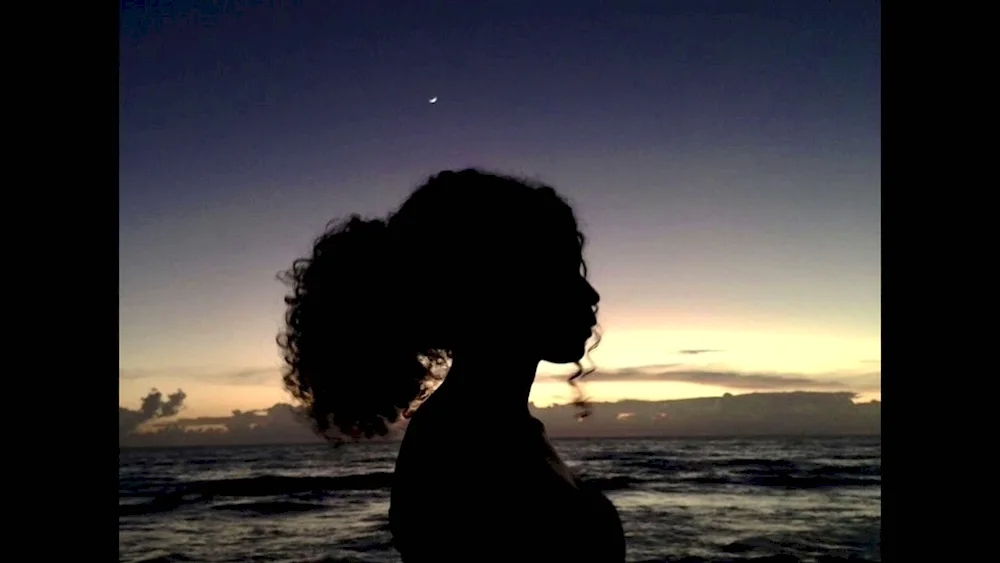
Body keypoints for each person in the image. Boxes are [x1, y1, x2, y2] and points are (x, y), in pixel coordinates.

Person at [277, 169, 626, 561]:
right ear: (493, 283)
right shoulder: (465, 451)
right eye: (561, 271)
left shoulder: (490, 427)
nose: (591, 294)